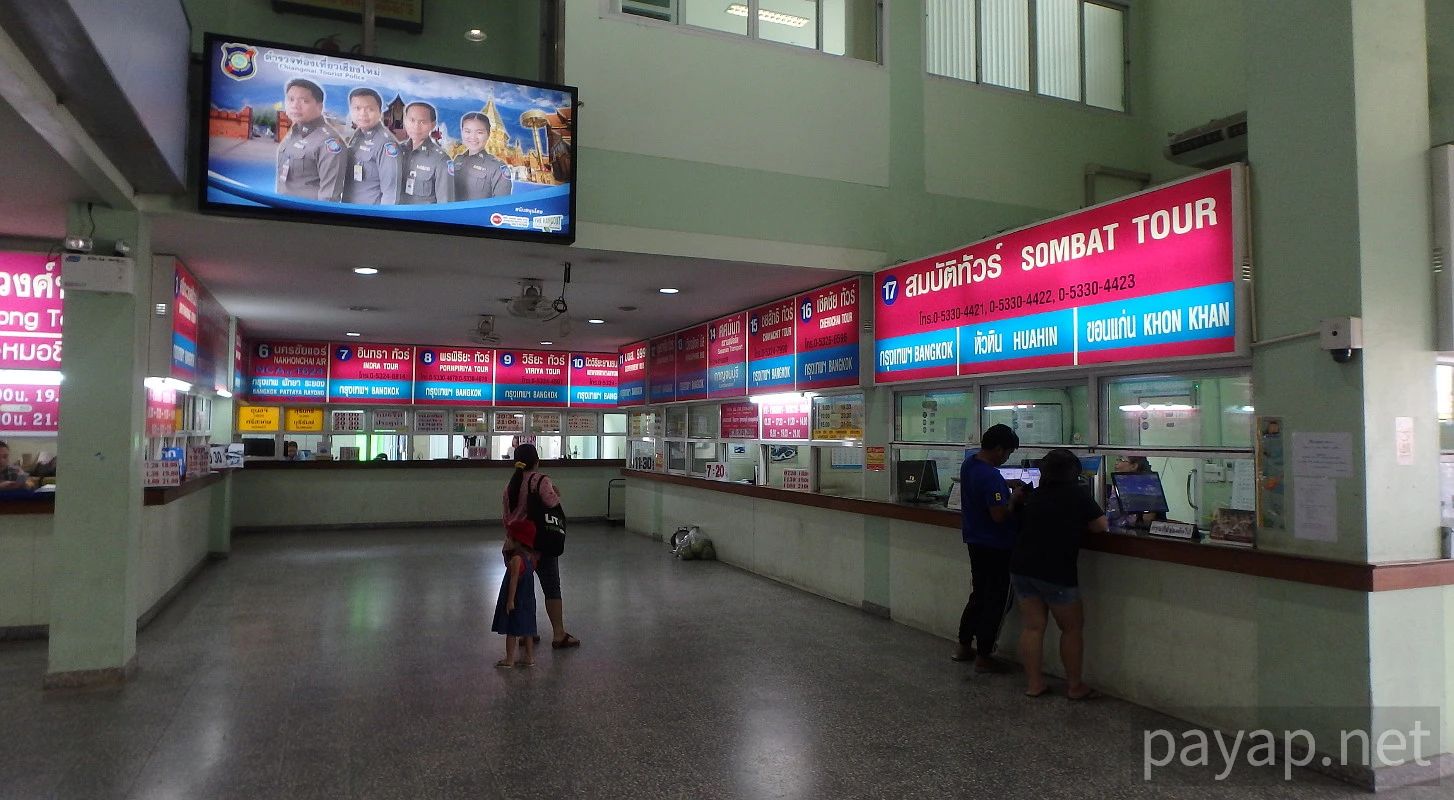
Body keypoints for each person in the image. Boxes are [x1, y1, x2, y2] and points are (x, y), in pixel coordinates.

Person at [1010, 448, 1109, 699]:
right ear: (1074, 472)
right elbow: (1100, 526)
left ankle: (1034, 684)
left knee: (1033, 627)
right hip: (1056, 571)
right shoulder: (1076, 494)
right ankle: (1075, 686)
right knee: (1072, 627)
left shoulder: (1033, 495)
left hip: (1022, 566)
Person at [954, 424, 1023, 672]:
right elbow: (999, 515)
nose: (1006, 458)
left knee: (979, 595)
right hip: (997, 546)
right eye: (1007, 453)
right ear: (998, 448)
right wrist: (1013, 498)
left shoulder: (970, 464)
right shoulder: (992, 476)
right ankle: (984, 655)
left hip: (975, 541)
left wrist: (1003, 484)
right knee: (996, 600)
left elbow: (984, 484)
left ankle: (963, 646)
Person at [502, 444, 580, 649]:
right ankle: (559, 634)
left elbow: (507, 518)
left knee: (523, 589)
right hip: (540, 544)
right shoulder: (541, 480)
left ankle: (527, 633)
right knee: (551, 588)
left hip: (515, 546)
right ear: (536, 461)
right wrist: (557, 493)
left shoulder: (509, 486)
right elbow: (552, 502)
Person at [276, 78, 347, 202]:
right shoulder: (294, 132)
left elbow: (329, 198)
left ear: (319, 107)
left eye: (304, 101)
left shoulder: (329, 142)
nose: (295, 106)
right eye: (291, 99)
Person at [341, 87, 404, 205]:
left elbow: (391, 193)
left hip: (368, 214)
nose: (362, 114)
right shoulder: (358, 136)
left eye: (369, 109)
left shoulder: (386, 144)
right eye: (357, 108)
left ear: (380, 112)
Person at [491, 519, 538, 668]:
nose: (506, 540)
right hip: (529, 599)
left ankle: (509, 658)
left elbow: (513, 581)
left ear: (518, 541)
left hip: (517, 599)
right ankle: (528, 657)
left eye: (508, 537)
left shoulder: (517, 559)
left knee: (512, 629)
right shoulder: (531, 558)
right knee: (528, 628)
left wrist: (510, 601)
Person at [399, 102, 456, 205]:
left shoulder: (441, 160)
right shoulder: (397, 151)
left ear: (432, 125)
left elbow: (445, 204)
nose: (416, 126)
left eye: (423, 122)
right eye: (412, 120)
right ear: (405, 121)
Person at [452, 112, 512, 200]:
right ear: (462, 132)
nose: (473, 137)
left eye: (479, 132)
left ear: (488, 134)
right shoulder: (457, 161)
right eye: (467, 131)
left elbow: (501, 205)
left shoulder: (497, 168)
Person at [1108, 455, 1161, 528]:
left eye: (1121, 460)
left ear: (1134, 466)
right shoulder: (1117, 487)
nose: (1116, 463)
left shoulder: (1149, 488)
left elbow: (1145, 521)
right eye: (1117, 459)